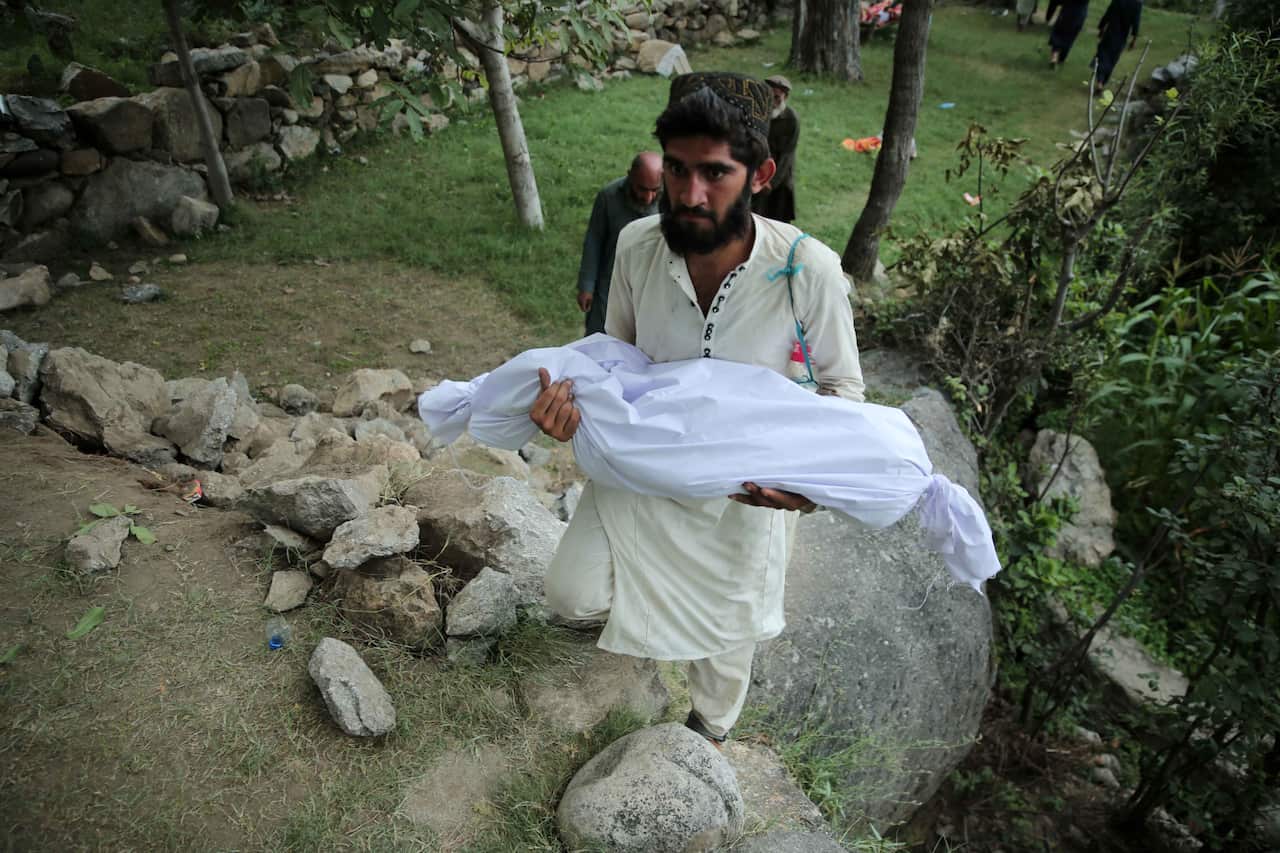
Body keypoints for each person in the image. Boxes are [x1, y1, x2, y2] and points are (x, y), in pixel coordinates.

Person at [532, 71, 865, 747]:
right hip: (645, 469)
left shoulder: (809, 270)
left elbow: (844, 392)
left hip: (744, 491)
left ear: (760, 175)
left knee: (724, 645)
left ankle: (707, 736)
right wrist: (569, 411)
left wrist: (805, 488)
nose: (689, 194)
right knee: (570, 595)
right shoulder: (637, 246)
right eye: (678, 170)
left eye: (715, 173)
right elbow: (613, 361)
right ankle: (641, 648)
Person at [576, 152, 663, 335]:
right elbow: (594, 240)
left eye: (655, 190)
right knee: (599, 336)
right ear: (630, 176)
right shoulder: (608, 197)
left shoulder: (671, 200)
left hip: (651, 285)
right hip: (610, 284)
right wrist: (586, 285)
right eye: (642, 189)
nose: (648, 197)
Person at [750, 75, 799, 224]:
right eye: (769, 96)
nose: (772, 102)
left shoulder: (791, 120)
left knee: (776, 218)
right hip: (756, 171)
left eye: (777, 98)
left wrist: (772, 182)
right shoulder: (755, 113)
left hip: (779, 175)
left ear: (785, 97)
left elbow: (787, 154)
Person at [1093, 0, 1142, 92]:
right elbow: (1136, 21)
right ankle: (1103, 81)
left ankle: (1100, 81)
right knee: (1112, 59)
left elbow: (1109, 12)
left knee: (1103, 54)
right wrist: (1134, 39)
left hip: (1110, 31)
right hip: (1122, 36)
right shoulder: (1137, 3)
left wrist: (1101, 26)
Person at [1048, 0, 1090, 68]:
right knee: (1070, 36)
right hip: (1080, 13)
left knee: (1059, 32)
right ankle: (1062, 57)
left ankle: (1055, 55)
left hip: (1067, 10)